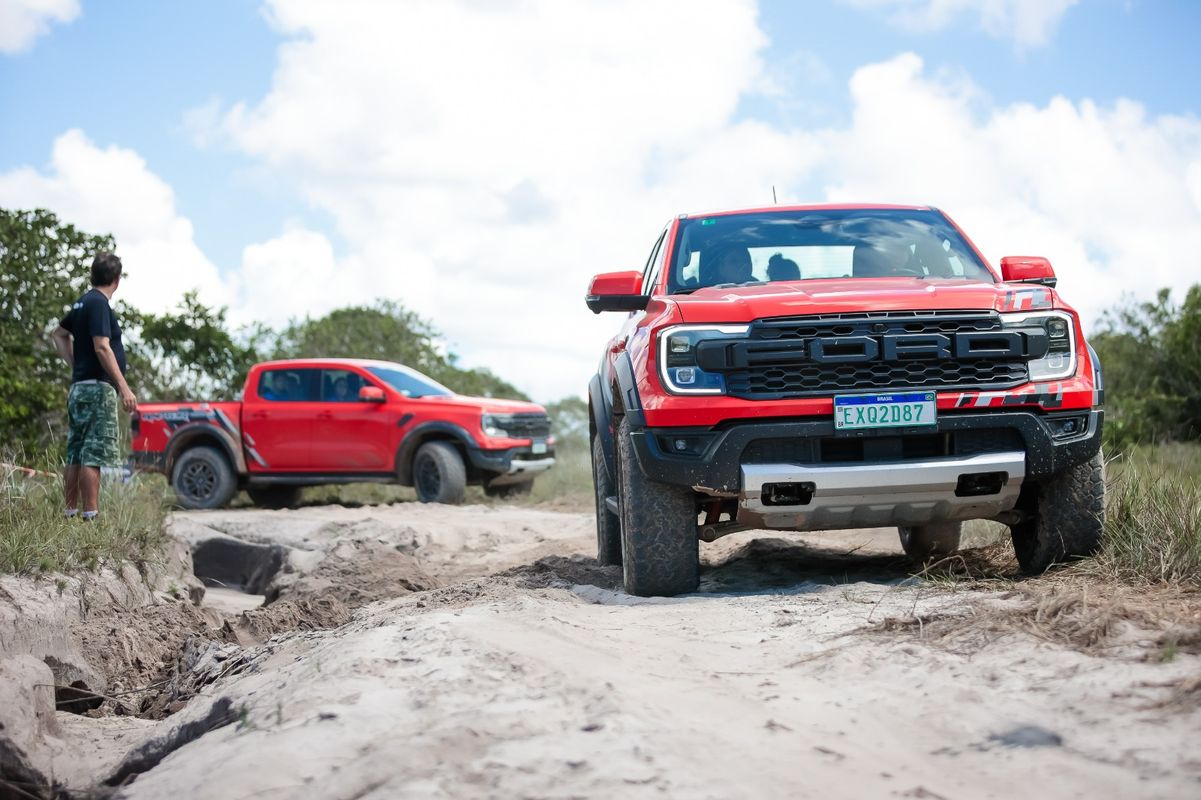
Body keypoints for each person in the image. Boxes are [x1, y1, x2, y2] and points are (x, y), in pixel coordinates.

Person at [50, 253, 137, 522]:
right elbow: (102, 346)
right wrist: (124, 388)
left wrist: (75, 364)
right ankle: (90, 517)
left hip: (79, 388)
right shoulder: (99, 304)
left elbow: (58, 334)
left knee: (75, 450)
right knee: (93, 453)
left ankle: (69, 513)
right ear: (117, 279)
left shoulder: (81, 303)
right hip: (98, 390)